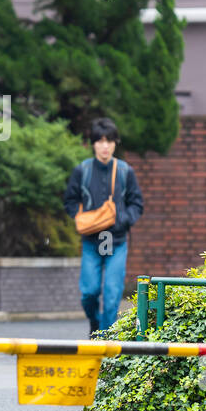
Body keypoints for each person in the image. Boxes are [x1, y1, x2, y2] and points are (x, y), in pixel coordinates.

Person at [62, 117, 144, 335]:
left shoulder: (126, 171)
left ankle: (104, 339)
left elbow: (137, 203)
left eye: (109, 141)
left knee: (112, 294)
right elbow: (70, 200)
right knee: (88, 292)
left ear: (115, 143)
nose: (105, 146)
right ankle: (94, 323)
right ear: (94, 144)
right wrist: (82, 217)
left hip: (116, 242)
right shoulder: (83, 170)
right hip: (91, 241)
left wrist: (123, 220)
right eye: (100, 141)